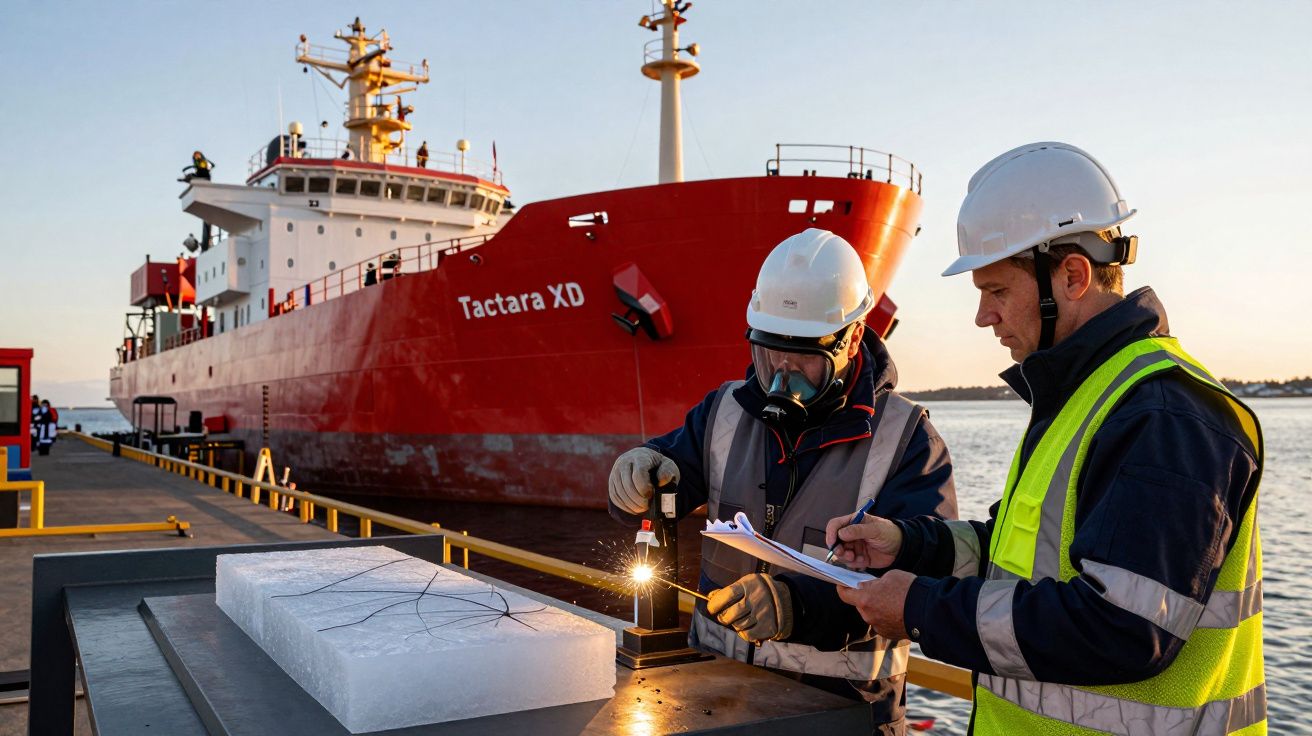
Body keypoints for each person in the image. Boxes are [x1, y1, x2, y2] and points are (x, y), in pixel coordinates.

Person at [827, 142, 1265, 734]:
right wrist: (906, 546)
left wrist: (920, 608)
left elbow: (1121, 629)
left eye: (998, 291)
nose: (984, 316)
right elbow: (1018, 557)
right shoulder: (1088, 397)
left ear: (1073, 276)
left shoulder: (1168, 416)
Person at [608, 228, 957, 733]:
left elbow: (920, 580)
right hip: (713, 707)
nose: (782, 369)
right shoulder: (724, 411)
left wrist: (796, 605)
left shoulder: (907, 442)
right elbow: (667, 476)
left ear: (853, 336)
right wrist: (639, 471)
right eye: (770, 349)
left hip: (843, 717)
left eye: (804, 353)